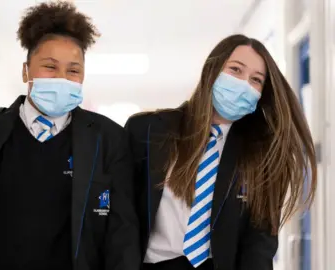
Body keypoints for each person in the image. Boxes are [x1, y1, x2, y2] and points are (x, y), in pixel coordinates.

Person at [0, 2, 140, 270]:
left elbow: (122, 235)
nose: (62, 79)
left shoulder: (108, 140)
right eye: (49, 67)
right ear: (26, 70)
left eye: (73, 70)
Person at [125, 34, 317, 270]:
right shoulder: (149, 131)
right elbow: (121, 220)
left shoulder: (260, 153)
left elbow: (259, 244)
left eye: (256, 80)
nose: (244, 84)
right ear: (212, 70)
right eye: (236, 70)